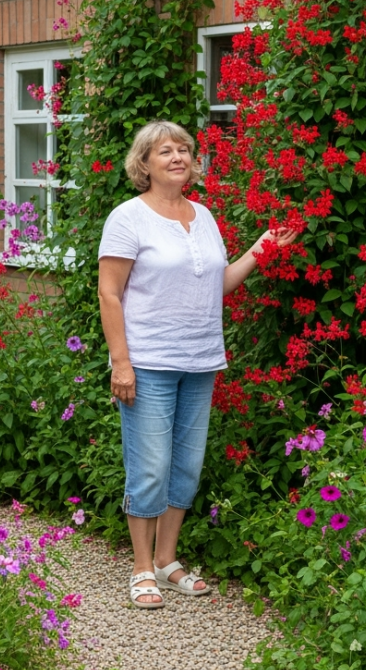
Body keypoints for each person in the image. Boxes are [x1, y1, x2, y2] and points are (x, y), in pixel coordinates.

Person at [97, 121, 296, 608]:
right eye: (165, 151)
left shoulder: (203, 216)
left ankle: (167, 561)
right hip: (147, 363)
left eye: (184, 149)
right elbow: (109, 292)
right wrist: (120, 363)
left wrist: (262, 248)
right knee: (149, 467)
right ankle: (141, 567)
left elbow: (216, 285)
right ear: (144, 163)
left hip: (200, 359)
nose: (178, 157)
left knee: (186, 466)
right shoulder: (127, 218)